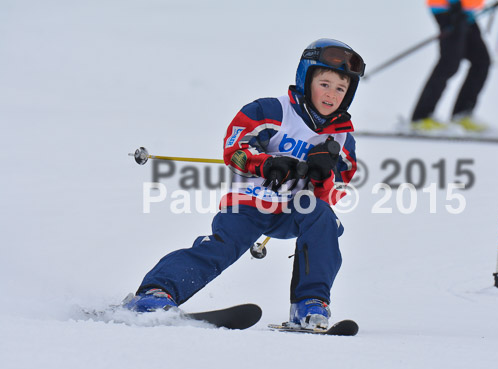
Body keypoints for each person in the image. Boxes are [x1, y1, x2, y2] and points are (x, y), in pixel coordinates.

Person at [123, 38, 364, 330]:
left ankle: (310, 304)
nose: (332, 95)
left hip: (295, 210)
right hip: (250, 202)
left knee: (324, 220)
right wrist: (264, 162)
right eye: (324, 84)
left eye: (341, 88)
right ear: (306, 78)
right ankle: (156, 292)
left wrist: (323, 174)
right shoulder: (270, 111)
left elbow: (337, 190)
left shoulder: (340, 140)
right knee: (225, 247)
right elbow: (234, 150)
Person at [411, 0, 491, 133]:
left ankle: (462, 114)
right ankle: (421, 117)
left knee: (481, 61)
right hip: (448, 9)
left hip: (465, 12)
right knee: (449, 64)